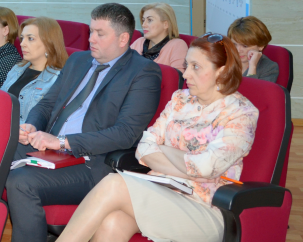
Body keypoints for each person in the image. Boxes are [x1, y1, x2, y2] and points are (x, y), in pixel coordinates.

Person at [56, 33, 258, 242]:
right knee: (113, 222)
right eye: (186, 65)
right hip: (162, 190)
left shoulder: (241, 113)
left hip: (204, 207)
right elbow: (144, 148)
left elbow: (207, 168)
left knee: (114, 183)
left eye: (196, 67)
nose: (186, 74)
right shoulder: (180, 99)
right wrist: (187, 168)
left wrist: (164, 151)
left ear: (221, 71)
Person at [5, 3, 162, 242]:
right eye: (91, 31)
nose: (91, 39)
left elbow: (126, 133)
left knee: (20, 181)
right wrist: (32, 125)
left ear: (123, 39)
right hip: (53, 148)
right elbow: (47, 104)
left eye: (100, 34)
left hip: (93, 162)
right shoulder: (78, 60)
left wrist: (62, 142)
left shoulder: (143, 72)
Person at [1, 17, 68, 124]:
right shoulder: (18, 68)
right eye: (22, 38)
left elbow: (48, 122)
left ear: (48, 43)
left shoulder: (57, 79)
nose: (22, 44)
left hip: (24, 132)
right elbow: (0, 100)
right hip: (2, 125)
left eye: (30, 38)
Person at [130, 2, 189, 73]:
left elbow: (178, 77)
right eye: (143, 20)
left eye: (150, 20)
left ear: (166, 24)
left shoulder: (177, 45)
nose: (143, 25)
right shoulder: (139, 42)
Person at [227, 16, 278, 83]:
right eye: (234, 44)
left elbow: (253, 90)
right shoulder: (223, 60)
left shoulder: (269, 67)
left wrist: (252, 67)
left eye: (245, 46)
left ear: (260, 46)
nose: (238, 50)